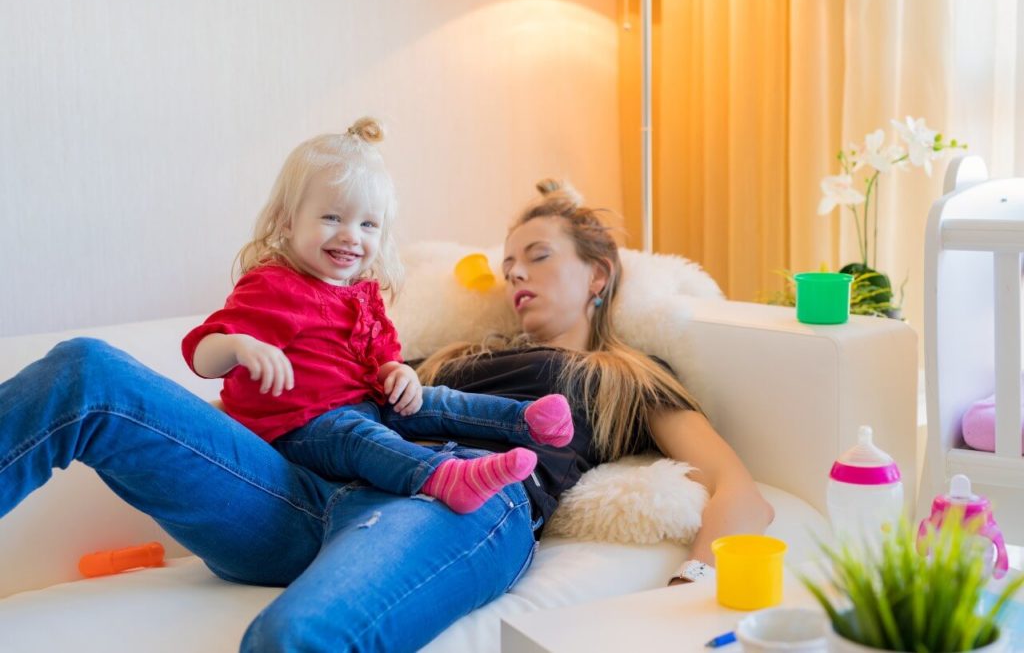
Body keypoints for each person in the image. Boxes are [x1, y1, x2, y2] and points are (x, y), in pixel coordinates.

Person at [0, 177, 772, 652]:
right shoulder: (445, 355)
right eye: (507, 264)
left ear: (599, 274)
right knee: (87, 372)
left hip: (458, 501)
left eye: (537, 255)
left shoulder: (624, 375)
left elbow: (740, 489)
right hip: (311, 486)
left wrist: (693, 586)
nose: (515, 275)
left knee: (293, 638)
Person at [182, 117, 573, 514]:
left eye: (368, 224)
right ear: (287, 220)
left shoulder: (363, 294)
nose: (352, 235)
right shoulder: (273, 285)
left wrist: (397, 374)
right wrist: (238, 346)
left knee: (430, 400)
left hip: (361, 404)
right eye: (332, 217)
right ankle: (444, 476)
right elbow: (201, 354)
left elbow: (382, 356)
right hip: (297, 430)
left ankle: (526, 421)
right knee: (356, 436)